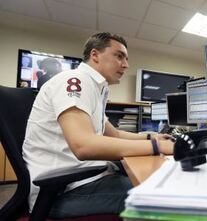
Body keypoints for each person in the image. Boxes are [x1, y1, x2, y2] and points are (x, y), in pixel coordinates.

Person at [22, 32, 175, 218]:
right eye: (119, 56)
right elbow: (83, 145)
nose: (126, 65)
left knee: (150, 179)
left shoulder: (96, 88)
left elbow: (115, 135)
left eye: (126, 59)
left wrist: (152, 137)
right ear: (95, 55)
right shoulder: (75, 81)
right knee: (161, 196)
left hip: (83, 179)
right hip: (63, 192)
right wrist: (157, 146)